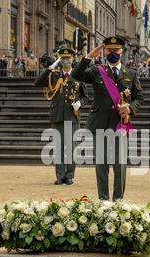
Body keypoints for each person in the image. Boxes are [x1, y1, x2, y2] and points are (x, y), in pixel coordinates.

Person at [71, 36, 143, 201]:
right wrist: (89, 56)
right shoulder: (97, 70)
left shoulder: (131, 74)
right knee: (101, 165)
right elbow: (76, 75)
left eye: (115, 50)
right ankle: (103, 201)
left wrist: (130, 108)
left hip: (120, 124)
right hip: (100, 124)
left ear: (121, 51)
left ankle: (118, 201)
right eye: (109, 50)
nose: (112, 53)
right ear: (105, 52)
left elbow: (139, 97)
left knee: (120, 165)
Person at [35, 48, 89, 185]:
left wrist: (79, 103)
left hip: (72, 116)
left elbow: (85, 96)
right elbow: (38, 82)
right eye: (63, 58)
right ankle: (60, 176)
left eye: (68, 58)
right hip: (58, 115)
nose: (65, 61)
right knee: (58, 147)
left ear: (72, 60)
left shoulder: (78, 76)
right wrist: (51, 67)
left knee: (72, 147)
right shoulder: (54, 75)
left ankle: (69, 176)